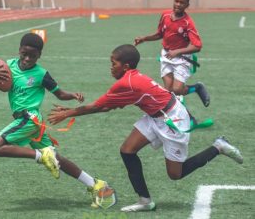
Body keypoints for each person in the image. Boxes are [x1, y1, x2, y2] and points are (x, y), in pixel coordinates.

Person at [48, 44, 243, 212]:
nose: (111, 67)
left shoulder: (126, 83)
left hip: (172, 120)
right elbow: (106, 107)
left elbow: (98, 107)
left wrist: (68, 114)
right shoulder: (130, 78)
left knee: (176, 174)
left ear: (126, 66)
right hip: (155, 115)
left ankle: (218, 147)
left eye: (113, 63)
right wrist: (72, 110)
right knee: (127, 150)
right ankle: (145, 201)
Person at [0, 33, 116, 208]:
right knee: (56, 159)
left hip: (29, 118)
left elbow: (59, 93)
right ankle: (97, 186)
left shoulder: (41, 74)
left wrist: (73, 95)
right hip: (31, 123)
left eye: (33, 55)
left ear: (40, 55)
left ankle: (40, 156)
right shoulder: (7, 67)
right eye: (24, 54)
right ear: (19, 51)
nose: (28, 58)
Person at [134, 0, 210, 108]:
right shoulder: (165, 15)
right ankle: (181, 116)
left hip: (182, 58)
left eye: (182, 3)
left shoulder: (187, 23)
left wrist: (177, 52)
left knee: (177, 89)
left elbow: (197, 46)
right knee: (169, 91)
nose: (178, 4)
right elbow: (160, 34)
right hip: (166, 55)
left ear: (187, 5)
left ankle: (196, 88)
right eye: (176, 1)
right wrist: (144, 38)